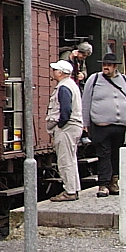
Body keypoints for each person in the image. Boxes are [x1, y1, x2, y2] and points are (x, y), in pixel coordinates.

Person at [82, 52, 126, 197]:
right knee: (103, 154)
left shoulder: (124, 80)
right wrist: (85, 122)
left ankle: (114, 182)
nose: (105, 67)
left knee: (116, 154)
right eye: (104, 65)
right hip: (101, 125)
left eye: (109, 65)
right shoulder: (94, 79)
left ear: (115, 67)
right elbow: (86, 102)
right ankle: (103, 184)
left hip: (120, 125)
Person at [47, 60, 84, 201]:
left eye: (55, 70)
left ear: (60, 72)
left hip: (67, 128)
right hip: (74, 126)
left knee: (65, 160)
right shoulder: (71, 85)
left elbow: (66, 110)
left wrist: (60, 125)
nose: (53, 72)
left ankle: (69, 191)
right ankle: (74, 188)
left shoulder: (63, 87)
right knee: (71, 159)